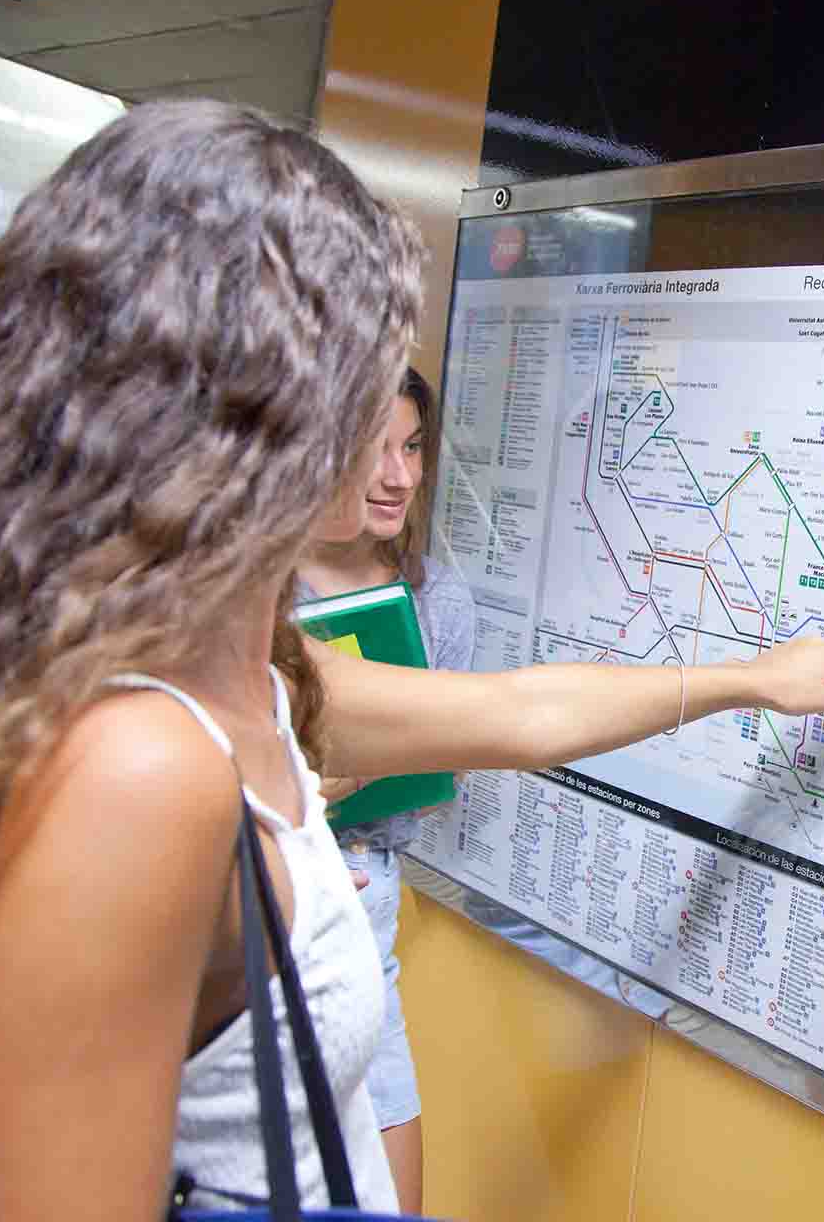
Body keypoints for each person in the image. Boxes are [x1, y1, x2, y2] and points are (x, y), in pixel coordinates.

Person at [0, 98, 824, 1221]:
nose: (393, 436)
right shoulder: (135, 766)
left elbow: (520, 710)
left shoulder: (249, 671)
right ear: (256, 403)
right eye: (363, 374)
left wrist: (755, 676)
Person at [293, 369, 467, 1213]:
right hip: (261, 872)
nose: (400, 476)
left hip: (367, 882)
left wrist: (351, 774)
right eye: (376, 451)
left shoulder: (437, 602)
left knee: (384, 1107)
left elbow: (448, 762)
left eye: (413, 448)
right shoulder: (252, 589)